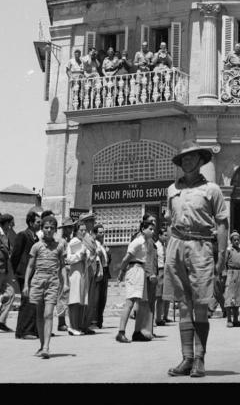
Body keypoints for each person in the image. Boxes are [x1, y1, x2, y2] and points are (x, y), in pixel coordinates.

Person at [163, 140, 229, 378]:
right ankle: (186, 358)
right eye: (183, 159)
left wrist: (221, 256)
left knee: (200, 305)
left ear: (201, 161)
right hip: (176, 245)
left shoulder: (212, 189)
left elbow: (222, 224)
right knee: (182, 305)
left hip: (201, 246)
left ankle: (200, 359)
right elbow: (170, 221)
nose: (187, 161)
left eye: (192, 157)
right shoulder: (172, 189)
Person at [24, 213, 67, 359]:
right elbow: (30, 266)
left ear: (55, 230)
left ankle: (47, 347)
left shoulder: (59, 247)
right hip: (37, 281)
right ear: (42, 229)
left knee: (48, 313)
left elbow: (62, 266)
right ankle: (42, 345)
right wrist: (25, 284)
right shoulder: (36, 246)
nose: (49, 230)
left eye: (52, 228)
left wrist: (65, 283)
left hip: (52, 281)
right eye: (46, 227)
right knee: (39, 314)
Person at [116, 215, 157, 343]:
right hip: (134, 270)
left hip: (142, 271)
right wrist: (121, 272)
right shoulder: (138, 242)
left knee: (142, 303)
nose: (153, 231)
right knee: (130, 302)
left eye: (153, 229)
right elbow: (126, 259)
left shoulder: (146, 243)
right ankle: (121, 332)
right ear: (143, 229)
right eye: (150, 229)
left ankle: (137, 332)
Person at [12, 210, 42, 340]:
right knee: (27, 301)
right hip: (24, 273)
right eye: (37, 222)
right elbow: (15, 256)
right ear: (30, 223)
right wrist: (16, 273)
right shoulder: (22, 235)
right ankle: (25, 331)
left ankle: (25, 330)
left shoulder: (35, 237)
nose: (40, 225)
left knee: (31, 301)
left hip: (33, 274)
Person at [65, 216, 90, 336]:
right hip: (75, 273)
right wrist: (81, 254)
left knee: (80, 300)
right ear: (76, 231)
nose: (84, 232)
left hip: (82, 272)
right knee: (74, 300)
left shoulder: (82, 242)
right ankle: (72, 326)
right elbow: (69, 259)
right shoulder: (74, 242)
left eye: (85, 230)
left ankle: (77, 325)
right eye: (81, 230)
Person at [221, 232, 240, 327]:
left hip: (239, 275)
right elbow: (224, 263)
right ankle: (229, 319)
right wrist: (224, 275)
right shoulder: (229, 250)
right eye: (234, 240)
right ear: (231, 241)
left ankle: (236, 319)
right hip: (231, 274)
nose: (236, 241)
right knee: (229, 298)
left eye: (238, 240)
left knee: (238, 299)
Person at [92, 224, 110, 329]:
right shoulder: (95, 244)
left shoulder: (103, 245)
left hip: (105, 272)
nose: (102, 234)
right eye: (100, 232)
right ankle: (94, 321)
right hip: (98, 271)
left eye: (103, 232)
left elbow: (108, 260)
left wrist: (108, 252)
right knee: (96, 297)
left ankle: (99, 320)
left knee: (103, 297)